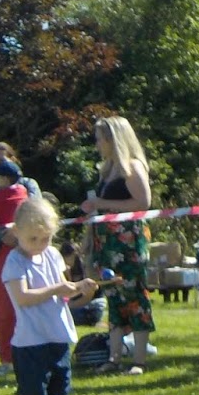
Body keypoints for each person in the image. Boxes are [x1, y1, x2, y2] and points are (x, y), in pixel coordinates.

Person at [0, 198, 99, 395]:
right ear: (17, 232)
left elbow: (65, 292)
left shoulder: (53, 255)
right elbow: (23, 298)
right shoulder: (14, 262)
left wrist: (82, 289)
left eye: (46, 238)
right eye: (32, 238)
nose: (39, 244)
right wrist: (57, 289)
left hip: (58, 336)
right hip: (30, 342)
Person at [80, 116, 154, 374]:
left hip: (128, 242)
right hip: (106, 243)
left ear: (114, 139)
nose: (97, 144)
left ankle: (139, 361)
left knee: (134, 297)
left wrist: (101, 204)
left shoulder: (131, 167)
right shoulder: (107, 169)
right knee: (112, 296)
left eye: (101, 138)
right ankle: (113, 357)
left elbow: (143, 202)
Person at [0, 160, 30, 371]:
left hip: (0, 252)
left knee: (3, 308)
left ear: (5, 179)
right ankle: (27, 354)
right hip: (23, 248)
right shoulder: (25, 193)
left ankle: (7, 358)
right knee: (25, 306)